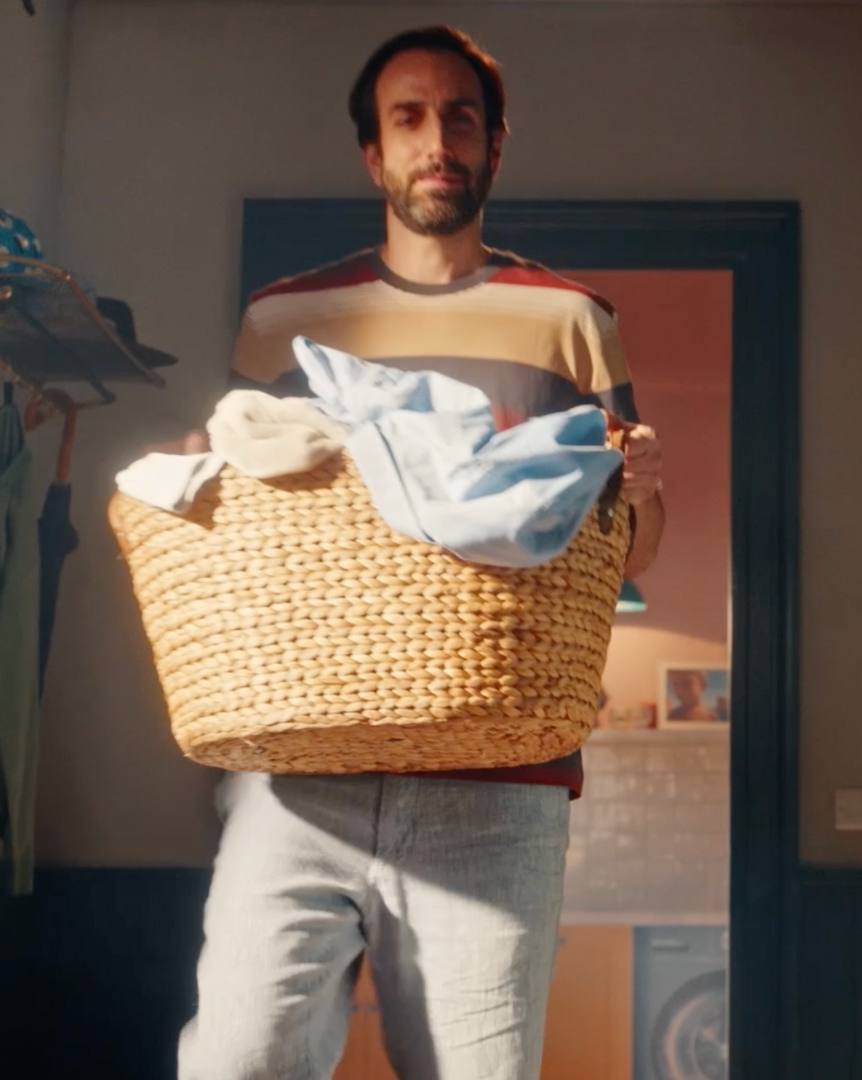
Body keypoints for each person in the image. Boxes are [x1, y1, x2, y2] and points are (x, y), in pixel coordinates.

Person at [174, 26, 666, 1080]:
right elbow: (250, 525)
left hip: (499, 780)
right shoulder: (285, 321)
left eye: (461, 117)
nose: (436, 138)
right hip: (296, 771)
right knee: (236, 1063)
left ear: (494, 146)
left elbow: (628, 540)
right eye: (408, 117)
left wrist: (641, 494)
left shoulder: (573, 321)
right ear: (373, 153)